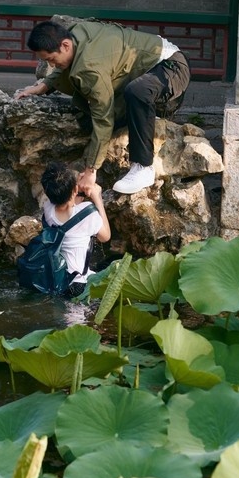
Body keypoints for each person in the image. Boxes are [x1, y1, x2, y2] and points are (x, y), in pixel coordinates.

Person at [14, 20, 191, 195]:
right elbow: (68, 64)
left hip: (171, 68)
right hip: (143, 73)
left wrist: (91, 170)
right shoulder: (76, 34)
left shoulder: (90, 66)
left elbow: (103, 118)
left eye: (52, 59)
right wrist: (44, 86)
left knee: (136, 93)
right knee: (86, 119)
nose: (52, 65)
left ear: (65, 45)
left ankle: (143, 167)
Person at [40, 161, 111, 298]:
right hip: (78, 284)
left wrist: (74, 189)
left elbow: (70, 209)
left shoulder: (48, 209)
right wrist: (97, 197)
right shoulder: (88, 213)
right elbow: (105, 236)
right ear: (74, 190)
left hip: (55, 279)